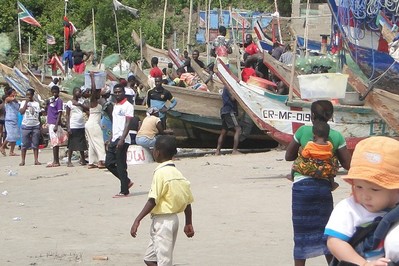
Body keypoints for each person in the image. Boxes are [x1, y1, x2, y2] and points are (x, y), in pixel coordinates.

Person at [285, 100, 351, 266]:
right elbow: (348, 165)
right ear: (331, 116)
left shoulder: (302, 131)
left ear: (312, 115)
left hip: (301, 188)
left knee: (300, 234)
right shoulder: (336, 136)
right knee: (326, 232)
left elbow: (289, 156)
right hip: (323, 188)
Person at [324, 136, 399, 265]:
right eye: (358, 187)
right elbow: (334, 242)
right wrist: (364, 264)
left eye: (375, 189)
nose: (365, 195)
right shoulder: (349, 208)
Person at [130, 135, 194, 266]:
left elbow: (153, 199)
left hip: (163, 222)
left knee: (164, 262)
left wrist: (138, 219)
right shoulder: (177, 173)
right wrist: (188, 222)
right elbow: (187, 201)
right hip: (173, 220)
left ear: (157, 152)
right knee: (149, 259)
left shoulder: (160, 173)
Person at [291, 120, 340, 190]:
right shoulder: (329, 144)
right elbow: (330, 153)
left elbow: (305, 155)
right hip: (324, 165)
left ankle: (292, 176)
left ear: (314, 135)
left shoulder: (310, 144)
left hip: (311, 166)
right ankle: (332, 183)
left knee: (296, 163)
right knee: (331, 167)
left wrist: (300, 149)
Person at [105, 83, 134, 198]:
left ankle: (124, 190)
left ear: (123, 92)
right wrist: (111, 137)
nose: (117, 94)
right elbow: (115, 123)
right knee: (109, 163)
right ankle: (126, 181)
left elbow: (128, 124)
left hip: (123, 139)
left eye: (119, 92)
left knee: (121, 165)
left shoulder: (128, 106)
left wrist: (122, 139)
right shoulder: (116, 106)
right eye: (115, 92)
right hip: (114, 138)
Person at [85, 72, 106, 169]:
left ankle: (91, 162)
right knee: (99, 142)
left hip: (90, 124)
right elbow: (93, 90)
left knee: (92, 143)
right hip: (93, 124)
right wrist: (92, 78)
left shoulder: (97, 101)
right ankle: (101, 161)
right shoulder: (93, 100)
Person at [66, 87, 88, 167]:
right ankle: (69, 161)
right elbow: (67, 115)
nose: (79, 93)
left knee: (82, 143)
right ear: (74, 93)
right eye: (78, 92)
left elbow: (87, 109)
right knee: (71, 144)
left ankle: (82, 159)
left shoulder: (81, 102)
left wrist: (79, 104)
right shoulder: (69, 103)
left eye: (80, 92)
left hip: (81, 125)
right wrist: (68, 127)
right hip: (73, 125)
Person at [215, 88, 241, 155]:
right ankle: (234, 150)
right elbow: (233, 98)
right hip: (229, 111)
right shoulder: (228, 88)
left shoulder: (225, 88)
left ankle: (217, 151)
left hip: (224, 111)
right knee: (238, 129)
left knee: (224, 131)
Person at [19, 88, 41, 166]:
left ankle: (36, 160)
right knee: (24, 145)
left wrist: (40, 126)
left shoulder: (36, 104)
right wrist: (26, 103)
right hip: (26, 125)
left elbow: (38, 115)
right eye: (27, 95)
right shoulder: (23, 103)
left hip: (35, 125)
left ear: (32, 95)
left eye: (30, 95)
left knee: (35, 144)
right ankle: (23, 160)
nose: (28, 96)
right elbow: (21, 112)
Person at [46, 86, 66, 167]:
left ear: (58, 92)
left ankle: (56, 161)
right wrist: (47, 103)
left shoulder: (59, 101)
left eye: (56, 92)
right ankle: (56, 160)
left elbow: (59, 113)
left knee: (55, 143)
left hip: (54, 123)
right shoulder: (51, 101)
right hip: (50, 123)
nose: (54, 94)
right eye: (53, 92)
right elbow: (46, 110)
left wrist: (56, 125)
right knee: (55, 143)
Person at [0, 88, 20, 157]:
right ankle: (2, 146)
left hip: (15, 119)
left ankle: (12, 151)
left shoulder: (16, 101)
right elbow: (11, 99)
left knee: (15, 136)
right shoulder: (7, 99)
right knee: (10, 135)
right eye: (13, 92)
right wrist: (14, 96)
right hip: (9, 120)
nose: (15, 93)